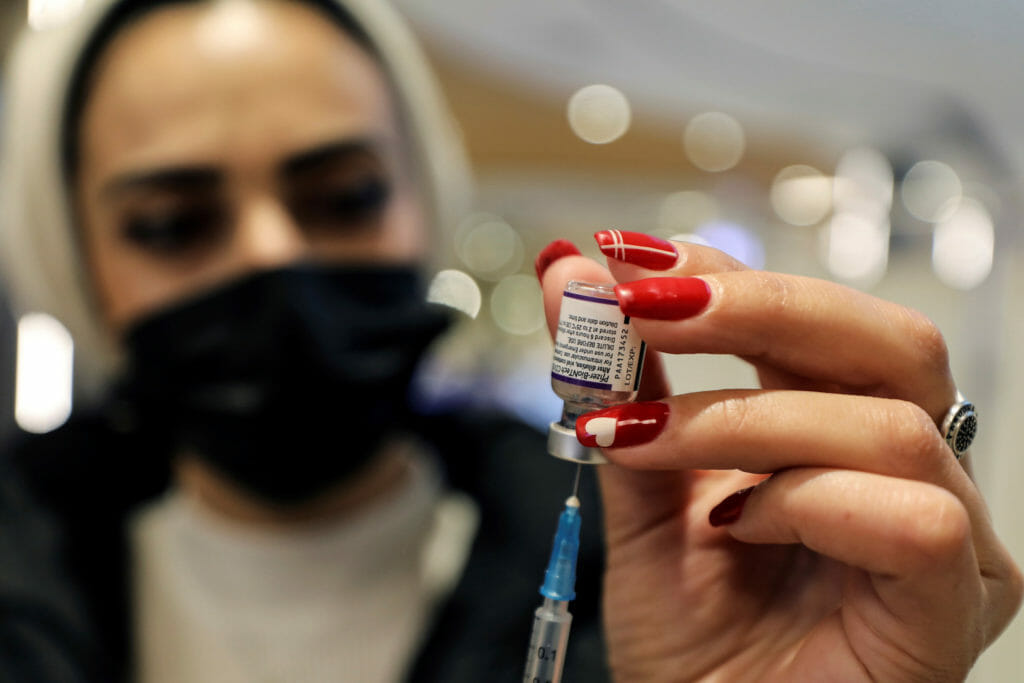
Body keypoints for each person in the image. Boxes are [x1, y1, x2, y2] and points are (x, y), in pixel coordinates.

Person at [0, 1, 1018, 682]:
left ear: (422, 194)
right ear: (74, 262)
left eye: (345, 194)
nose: (276, 258)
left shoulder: (658, 585)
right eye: (173, 223)